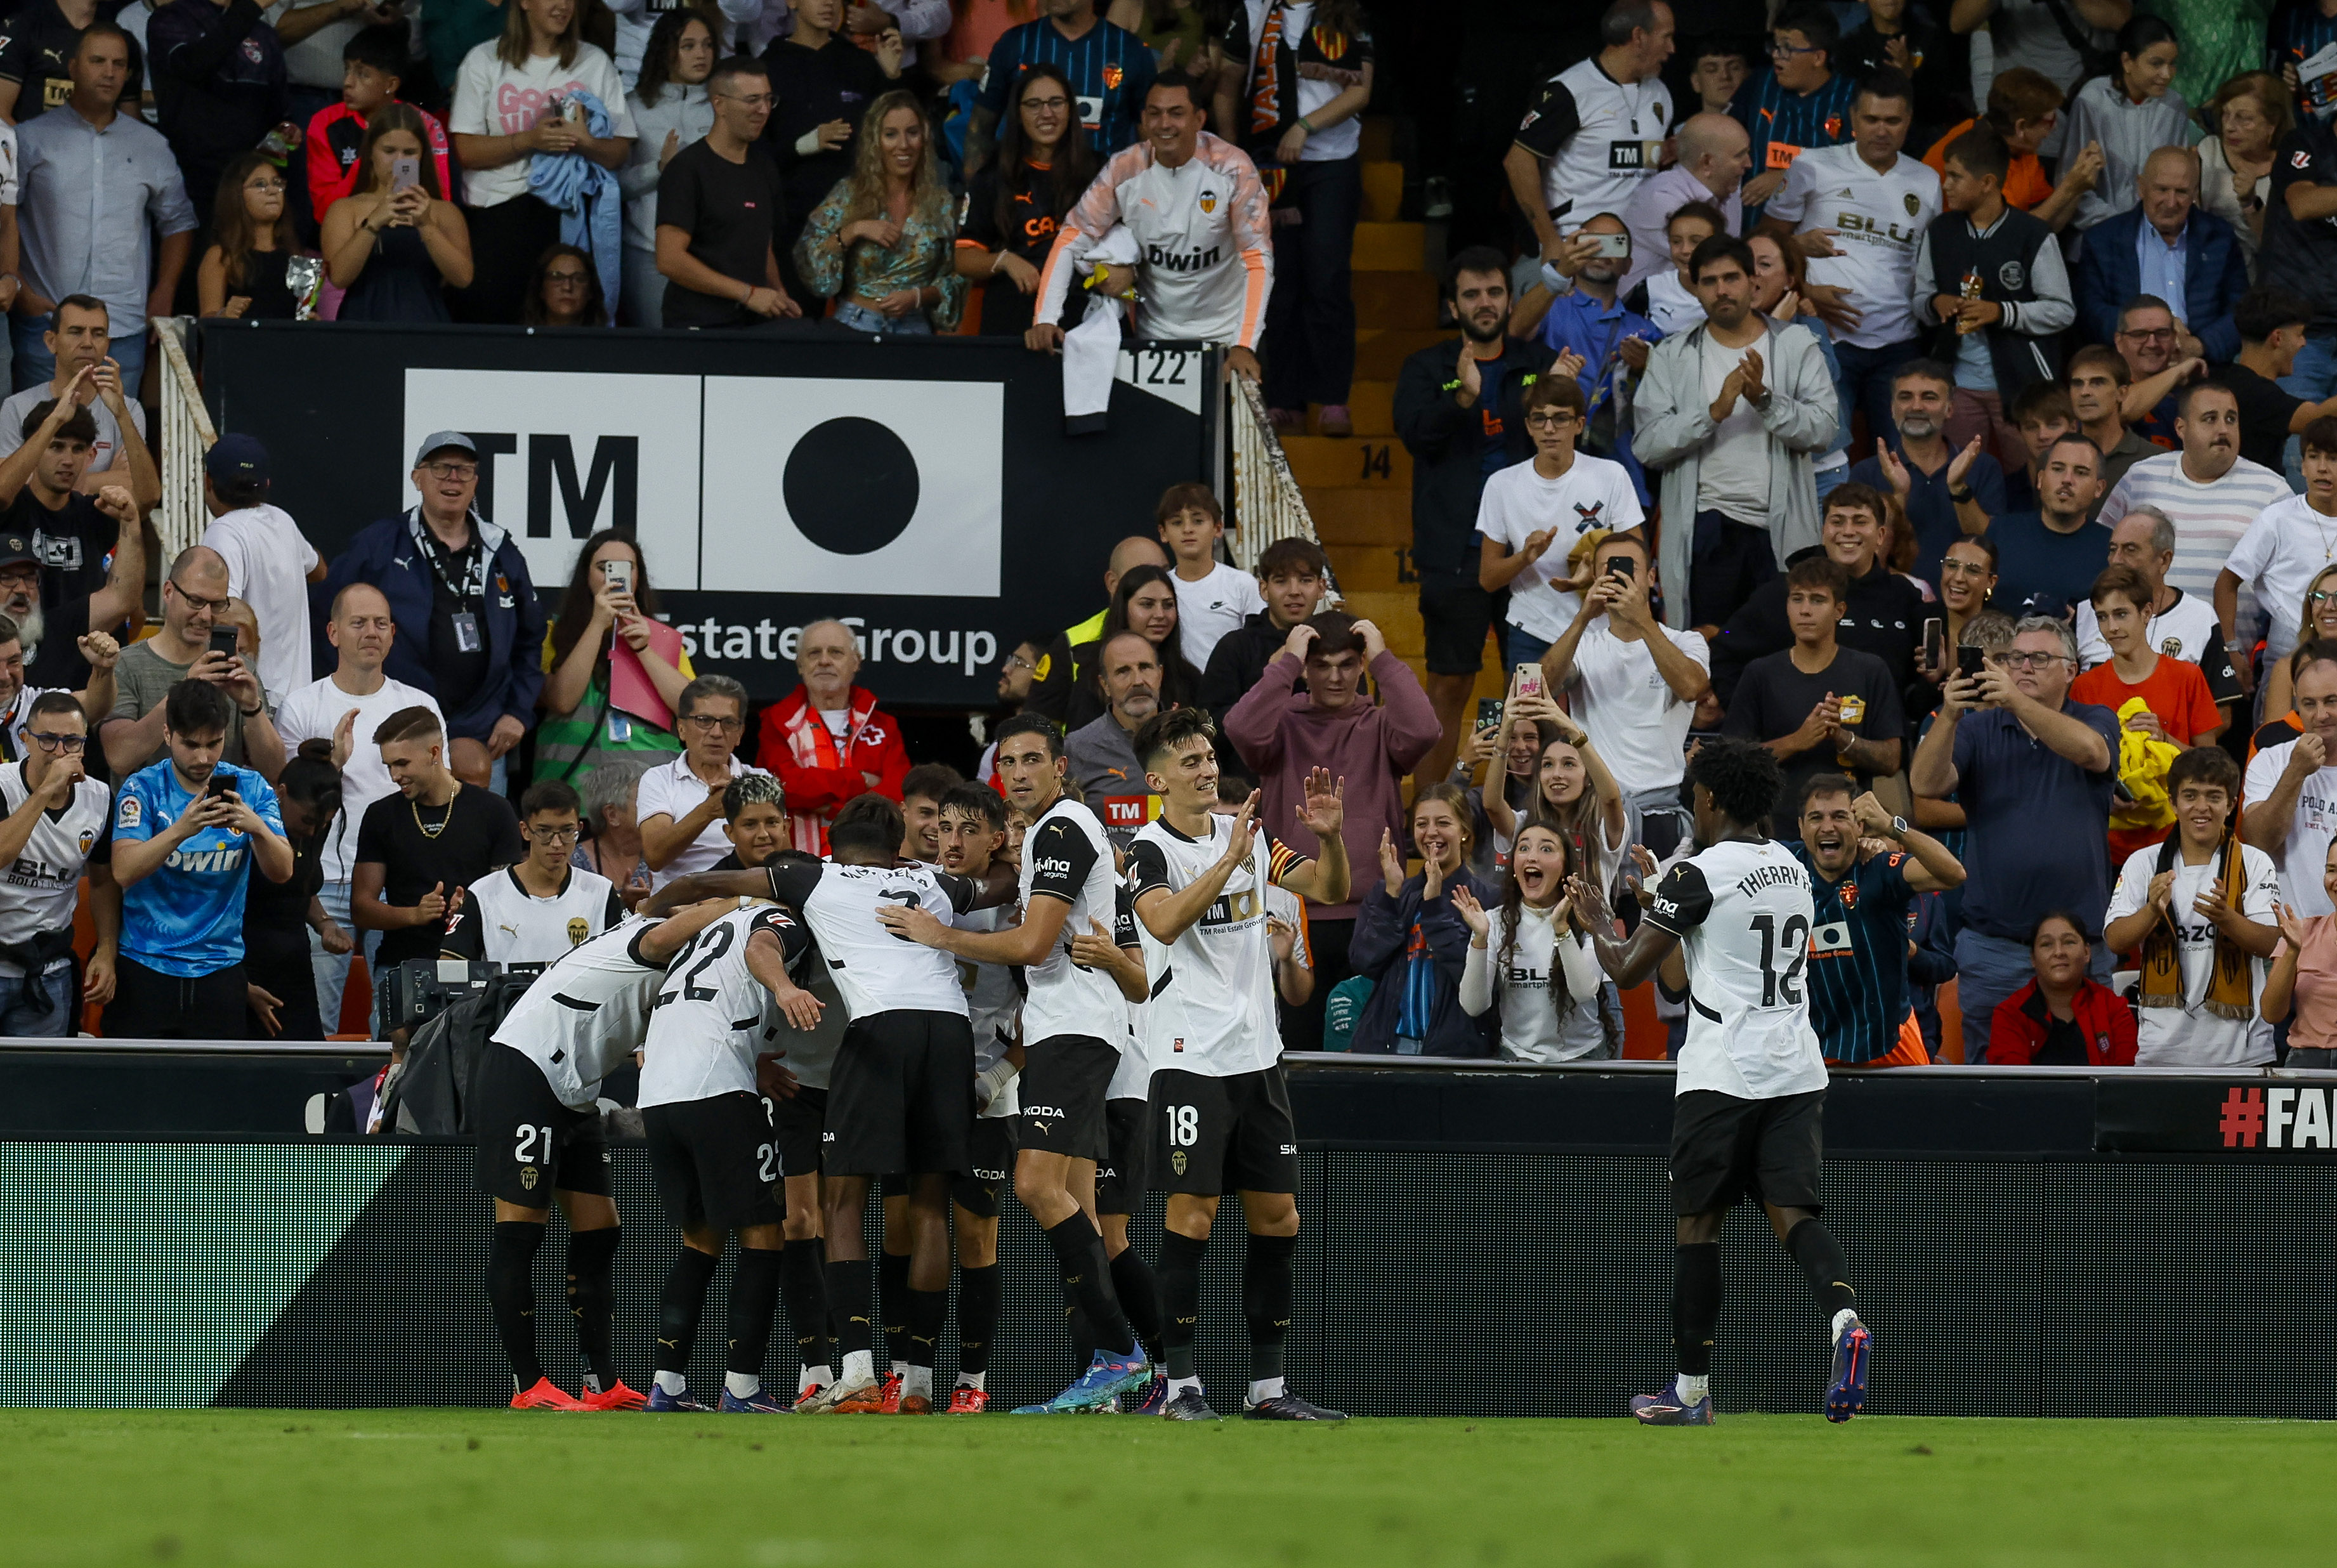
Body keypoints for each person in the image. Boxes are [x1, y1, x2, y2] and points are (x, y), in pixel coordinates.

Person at [1570, 738, 1871, 1426]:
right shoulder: (1793, 869)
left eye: (1693, 797)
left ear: (1711, 800)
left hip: (1722, 1073)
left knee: (1699, 1228)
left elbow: (1627, 971)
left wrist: (1596, 921)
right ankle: (1845, 1319)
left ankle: (1691, 1393)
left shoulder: (1698, 874)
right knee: (1795, 1218)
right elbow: (1710, 942)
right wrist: (1660, 903)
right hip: (1796, 1069)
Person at [875, 712, 1165, 1414]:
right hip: (1076, 1027)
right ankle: (1158, 1373)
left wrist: (937, 932)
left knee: (1035, 1186)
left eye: (1035, 759)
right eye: (1009, 763)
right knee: (1085, 1212)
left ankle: (1121, 1353)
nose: (1022, 773)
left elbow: (1035, 945)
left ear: (1062, 767)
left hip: (1074, 1031)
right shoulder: (1049, 834)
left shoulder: (1062, 829)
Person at [1123, 703, 1349, 1420]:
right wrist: (1225, 862)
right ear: (1157, 779)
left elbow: (1330, 887)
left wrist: (1333, 839)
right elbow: (1159, 920)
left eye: (1208, 756)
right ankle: (1181, 1386)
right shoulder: (1149, 850)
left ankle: (1269, 1390)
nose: (1205, 769)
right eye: (1188, 761)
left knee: (1279, 1218)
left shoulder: (1249, 835)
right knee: (1192, 1215)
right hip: (1190, 1057)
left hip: (1259, 1058)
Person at [471, 893, 733, 1410]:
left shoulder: (671, 957)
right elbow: (660, 935)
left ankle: (603, 1384)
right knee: (520, 1233)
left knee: (600, 1229)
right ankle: (529, 1386)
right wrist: (740, 901)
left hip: (574, 1091)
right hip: (526, 1072)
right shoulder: (649, 936)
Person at [631, 896, 821, 1414]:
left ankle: (667, 1385)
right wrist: (785, 987)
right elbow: (764, 946)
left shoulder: (700, 930)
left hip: (658, 1093)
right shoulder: (778, 917)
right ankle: (742, 1387)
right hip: (717, 1090)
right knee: (764, 1234)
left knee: (699, 1242)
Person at [1224, 611, 1438, 1049]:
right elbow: (1238, 728)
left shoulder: (1380, 724)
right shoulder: (1281, 724)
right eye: (1321, 665)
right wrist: (1286, 661)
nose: (1336, 677)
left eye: (1348, 664)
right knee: (1299, 1048)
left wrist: (1382, 659)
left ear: (1361, 666)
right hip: (1295, 913)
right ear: (1305, 668)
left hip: (1375, 912)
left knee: (1373, 1048)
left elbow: (1424, 730)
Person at [1911, 615, 2118, 1034]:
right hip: (1995, 947)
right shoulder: (1975, 728)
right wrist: (1950, 715)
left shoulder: (2096, 718)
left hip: (2080, 948)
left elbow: (2093, 752)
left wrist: (2016, 702)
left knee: (2089, 1083)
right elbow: (1925, 784)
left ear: (2071, 670)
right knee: (1990, 1089)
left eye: (2039, 658)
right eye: (2016, 658)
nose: (2024, 667)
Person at [1633, 235, 1838, 635]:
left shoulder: (1797, 345)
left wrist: (1764, 400)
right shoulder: (1672, 354)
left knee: (1781, 656)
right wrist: (1712, 414)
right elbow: (1647, 445)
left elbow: (1824, 430)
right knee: (1708, 653)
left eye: (1731, 278)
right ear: (1696, 289)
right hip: (1707, 528)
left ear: (1752, 281)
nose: (1721, 290)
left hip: (1780, 532)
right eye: (1709, 281)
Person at [1394, 247, 1546, 783]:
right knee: (1450, 684)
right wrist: (1460, 397)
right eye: (1472, 294)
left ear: (1510, 298)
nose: (1485, 303)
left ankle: (1535, 815)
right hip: (1455, 549)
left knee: (1532, 688)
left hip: (1532, 551)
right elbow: (1414, 435)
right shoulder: (1428, 367)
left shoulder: (1537, 363)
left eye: (1495, 292)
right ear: (1454, 306)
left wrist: (1566, 392)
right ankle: (1434, 810)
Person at [322, 431, 546, 790]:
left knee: (475, 838)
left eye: (464, 470)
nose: (453, 480)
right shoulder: (379, 544)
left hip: (482, 732)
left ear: (476, 481)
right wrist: (350, 699)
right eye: (441, 469)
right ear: (417, 477)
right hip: (396, 727)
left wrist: (517, 712)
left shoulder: (500, 550)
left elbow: (532, 638)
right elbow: (328, 619)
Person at [274, 581, 441, 1030]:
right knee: (315, 1025)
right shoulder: (301, 706)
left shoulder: (419, 706)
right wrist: (333, 763)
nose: (372, 632)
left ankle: (381, 1104)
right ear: (332, 633)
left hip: (399, 884)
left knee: (396, 1029)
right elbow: (288, 806)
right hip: (323, 880)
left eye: (381, 623)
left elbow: (440, 793)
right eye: (359, 622)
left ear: (392, 634)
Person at [1030, 71, 1270, 380]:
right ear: (1143, 120)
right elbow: (1071, 238)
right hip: (1153, 341)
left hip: (1227, 338)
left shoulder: (1234, 169)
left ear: (1200, 119)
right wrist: (1046, 318)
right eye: (1154, 114)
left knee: (1235, 430)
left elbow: (1258, 259)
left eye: (1177, 113)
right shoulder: (1124, 167)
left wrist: (1244, 344)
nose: (1164, 123)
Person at [1213, 0, 1370, 434]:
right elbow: (1227, 84)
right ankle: (1285, 397)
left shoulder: (1348, 9)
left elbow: (1362, 90)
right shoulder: (1252, 9)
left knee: (1327, 276)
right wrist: (1233, 154)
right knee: (1279, 283)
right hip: (1267, 161)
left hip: (1333, 161)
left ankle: (1333, 398)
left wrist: (1304, 127)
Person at [104, 679, 294, 1038]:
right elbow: (123, 871)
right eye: (191, 745)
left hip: (220, 970)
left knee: (216, 1092)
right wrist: (181, 830)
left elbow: (283, 871)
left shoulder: (252, 788)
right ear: (167, 734)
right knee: (138, 1091)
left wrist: (257, 828)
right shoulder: (141, 788)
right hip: (147, 966)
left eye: (214, 744)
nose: (204, 757)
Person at [1762, 69, 1941, 449]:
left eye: (1892, 121)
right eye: (1871, 119)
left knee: (1901, 457)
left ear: (1908, 121)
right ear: (1853, 119)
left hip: (1900, 343)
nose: (1881, 130)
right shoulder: (1813, 164)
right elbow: (1763, 244)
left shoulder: (1927, 180)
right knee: (1825, 452)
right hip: (1826, 338)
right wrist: (1807, 287)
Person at [10, 27, 195, 394]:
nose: (109, 72)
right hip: (46, 325)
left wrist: (166, 289)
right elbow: (5, 219)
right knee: (37, 441)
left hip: (121, 329)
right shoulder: (30, 139)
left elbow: (179, 222)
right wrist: (18, 288)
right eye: (98, 61)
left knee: (111, 445)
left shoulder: (151, 146)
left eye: (119, 64)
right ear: (73, 67)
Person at [448, 0, 636, 325]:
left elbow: (619, 152)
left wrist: (585, 141)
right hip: (499, 214)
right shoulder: (483, 60)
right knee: (497, 330)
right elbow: (466, 150)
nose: (565, 6)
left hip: (570, 217)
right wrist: (529, 141)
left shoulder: (593, 62)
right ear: (524, 3)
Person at [2098, 745, 2280, 1066]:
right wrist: (2152, 910)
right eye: (2190, 795)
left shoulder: (2254, 862)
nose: (2202, 807)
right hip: (2162, 1052)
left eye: (2214, 796)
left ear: (2231, 805)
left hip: (2242, 1054)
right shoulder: (2144, 862)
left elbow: (2271, 944)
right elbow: (2115, 940)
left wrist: (2226, 918)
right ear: (2173, 803)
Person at [1537, 529, 1708, 861]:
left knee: (1653, 913)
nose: (1617, 576)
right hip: (1589, 807)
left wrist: (1643, 622)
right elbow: (1540, 688)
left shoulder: (1687, 641)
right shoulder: (1584, 643)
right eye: (1607, 569)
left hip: (1660, 808)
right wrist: (1583, 616)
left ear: (1651, 577)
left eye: (1628, 568)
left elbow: (1691, 687)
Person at [1912, 124, 2072, 471]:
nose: (1945, 184)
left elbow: (2062, 311)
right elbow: (1920, 299)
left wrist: (2002, 312)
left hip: (2020, 385)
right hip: (1958, 385)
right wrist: (1934, 303)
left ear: (1986, 183)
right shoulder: (1940, 231)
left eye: (1955, 176)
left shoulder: (2032, 234)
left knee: (2036, 475)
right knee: (1961, 477)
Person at [1722, 554, 1906, 837]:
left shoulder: (1870, 671)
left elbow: (1892, 760)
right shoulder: (1760, 674)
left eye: (1818, 600)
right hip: (1775, 835)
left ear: (1840, 610)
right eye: (1797, 599)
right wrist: (1798, 741)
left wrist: (1843, 738)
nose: (1805, 610)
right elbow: (1731, 764)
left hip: (1846, 834)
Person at [350, 704, 523, 1002]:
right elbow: (361, 908)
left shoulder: (495, 811)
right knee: (395, 1049)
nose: (395, 775)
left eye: (402, 763)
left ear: (434, 753)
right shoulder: (381, 816)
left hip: (477, 969)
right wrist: (414, 915)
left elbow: (511, 899)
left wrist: (471, 910)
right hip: (402, 965)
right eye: (389, 765)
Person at [1709, 483, 1927, 718]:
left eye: (1860, 521)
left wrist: (1930, 681)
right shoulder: (1783, 592)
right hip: (1798, 745)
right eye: (1837, 521)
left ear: (1881, 535)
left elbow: (1915, 691)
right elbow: (1724, 652)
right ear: (1824, 531)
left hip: (1878, 745)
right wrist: (1754, 720)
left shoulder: (1904, 596)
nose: (1848, 531)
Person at [1788, 778, 1965, 1066]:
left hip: (1889, 1040)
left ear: (1860, 826)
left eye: (1840, 816)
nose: (1828, 826)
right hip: (1816, 1045)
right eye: (1816, 817)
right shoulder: (1784, 867)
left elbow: (1954, 874)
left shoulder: (1879, 867)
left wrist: (1892, 826)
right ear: (1800, 827)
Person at [1475, 377, 1645, 670]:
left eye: (1560, 418)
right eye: (1539, 419)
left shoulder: (1611, 475)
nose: (1549, 428)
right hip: (1531, 629)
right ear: (1528, 426)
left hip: (1602, 626)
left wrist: (1593, 574)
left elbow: (1639, 561)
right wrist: (1524, 558)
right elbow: (1488, 578)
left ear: (1579, 424)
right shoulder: (1501, 485)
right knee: (1528, 714)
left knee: (1596, 717)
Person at [2098, 381, 2292, 633]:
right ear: (2181, 428)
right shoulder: (2142, 477)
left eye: (2231, 419)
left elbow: (2292, 584)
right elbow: (2101, 553)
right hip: (2141, 648)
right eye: (2210, 419)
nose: (2223, 429)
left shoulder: (2273, 491)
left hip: (2228, 656)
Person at [1502, 1, 1673, 277]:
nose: (1672, 49)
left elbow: (1635, 161)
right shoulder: (1571, 90)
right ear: (1639, 37)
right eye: (1667, 37)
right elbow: (1518, 161)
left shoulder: (1661, 93)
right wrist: (1549, 241)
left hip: (1633, 251)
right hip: (1576, 245)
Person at [2071, 563, 2225, 859]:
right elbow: (2074, 770)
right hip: (2105, 846)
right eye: (2102, 617)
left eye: (2121, 614)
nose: (2112, 628)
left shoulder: (2187, 677)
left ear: (2146, 613)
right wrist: (2105, 794)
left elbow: (2213, 765)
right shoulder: (2084, 687)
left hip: (2174, 843)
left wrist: (2165, 739)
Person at [761, 0, 900, 308]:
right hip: (795, 223)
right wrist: (804, 145)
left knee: (865, 332)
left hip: (861, 218)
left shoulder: (862, 64)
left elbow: (893, 138)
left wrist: (890, 78)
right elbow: (755, 155)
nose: (829, 3)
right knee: (800, 334)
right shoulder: (769, 67)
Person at [102, 545, 284, 781]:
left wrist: (252, 707)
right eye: (196, 601)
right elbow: (120, 757)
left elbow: (276, 772)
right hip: (149, 815)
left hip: (221, 813)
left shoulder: (238, 668)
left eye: (217, 604)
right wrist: (185, 690)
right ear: (168, 592)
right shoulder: (126, 665)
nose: (206, 616)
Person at [794, 88, 963, 334]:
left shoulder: (942, 203)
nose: (903, 145)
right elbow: (808, 260)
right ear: (875, 142)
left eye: (912, 133)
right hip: (856, 324)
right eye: (891, 135)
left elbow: (957, 278)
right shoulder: (849, 194)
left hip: (916, 330)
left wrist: (917, 297)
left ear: (924, 138)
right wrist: (853, 231)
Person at [1347, 782, 1495, 1057]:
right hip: (1389, 1046)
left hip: (1454, 1050)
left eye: (1443, 823)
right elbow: (1364, 962)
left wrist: (1435, 906)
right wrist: (1391, 896)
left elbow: (1475, 981)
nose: (1431, 833)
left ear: (1464, 831)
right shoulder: (1393, 892)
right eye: (1421, 824)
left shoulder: (1487, 899)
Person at [654, 53, 801, 329]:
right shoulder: (687, 169)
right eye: (752, 100)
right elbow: (669, 259)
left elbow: (761, 245)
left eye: (769, 99)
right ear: (719, 104)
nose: (764, 109)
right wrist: (748, 294)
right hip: (699, 323)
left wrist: (778, 294)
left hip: (752, 324)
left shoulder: (764, 167)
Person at [537, 530, 693, 787]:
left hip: (648, 796)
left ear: (637, 577)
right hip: (572, 792)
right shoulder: (555, 633)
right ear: (586, 576)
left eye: (626, 568)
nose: (614, 577)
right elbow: (562, 700)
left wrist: (644, 650)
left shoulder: (663, 639)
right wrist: (598, 624)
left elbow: (692, 708)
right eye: (603, 568)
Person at [0, 688, 115, 1035]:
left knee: (38, 1085)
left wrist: (107, 950)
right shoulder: (2, 785)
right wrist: (45, 793)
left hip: (48, 969)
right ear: (26, 739)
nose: (60, 752)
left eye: (72, 742)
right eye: (48, 740)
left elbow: (103, 881)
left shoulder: (99, 798)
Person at [955, 62, 1094, 340]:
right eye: (1034, 104)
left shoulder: (1100, 172)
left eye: (1056, 103)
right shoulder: (993, 176)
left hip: (1084, 317)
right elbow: (962, 258)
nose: (1046, 113)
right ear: (1018, 113)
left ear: (1071, 109)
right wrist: (1005, 261)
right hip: (1014, 315)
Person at [1451, 818, 1610, 1061]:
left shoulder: (1590, 918)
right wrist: (1480, 939)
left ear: (1565, 867)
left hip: (1583, 1057)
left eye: (1546, 849)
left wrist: (1562, 930)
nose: (1532, 857)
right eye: (1524, 848)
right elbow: (1474, 1006)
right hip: (1516, 1056)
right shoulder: (1494, 921)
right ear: (1514, 865)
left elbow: (1584, 992)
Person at [2073, 148, 2249, 365]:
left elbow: (2241, 311)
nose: (2171, 202)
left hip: (2203, 368)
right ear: (2142, 187)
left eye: (2182, 192)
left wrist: (2199, 346)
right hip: (2130, 371)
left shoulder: (2219, 237)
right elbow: (2091, 312)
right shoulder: (2103, 240)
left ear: (2195, 193)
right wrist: (2149, 332)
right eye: (2162, 189)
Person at [754, 618, 910, 852]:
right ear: (800, 664)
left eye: (836, 653)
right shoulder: (776, 722)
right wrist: (860, 781)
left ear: (856, 662)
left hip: (868, 864)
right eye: (814, 653)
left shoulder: (885, 726)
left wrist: (826, 805)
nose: (824, 661)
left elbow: (895, 798)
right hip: (795, 868)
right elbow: (784, 788)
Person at [2071, 507, 2243, 719]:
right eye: (2113, 549)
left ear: (2164, 560)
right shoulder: (2086, 612)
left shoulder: (2199, 617)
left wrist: (2162, 743)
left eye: (2130, 550)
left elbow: (2221, 715)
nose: (2116, 560)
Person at [0, 389, 152, 627]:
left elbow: (148, 497)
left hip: (81, 653)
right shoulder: (12, 507)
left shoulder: (94, 512)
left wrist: (122, 414)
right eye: (56, 447)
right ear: (36, 449)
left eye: (78, 449)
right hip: (18, 649)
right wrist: (55, 420)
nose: (68, 460)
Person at [197, 434, 322, 710]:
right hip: (296, 703)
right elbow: (319, 570)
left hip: (252, 697)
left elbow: (225, 616)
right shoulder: (282, 520)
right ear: (266, 484)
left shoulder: (224, 531)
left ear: (208, 481)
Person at [439, 780, 622, 964]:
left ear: (579, 829)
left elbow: (629, 963)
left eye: (567, 831)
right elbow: (449, 965)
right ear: (525, 831)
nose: (557, 843)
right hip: (509, 993)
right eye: (544, 831)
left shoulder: (602, 893)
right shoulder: (484, 894)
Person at [322, 103, 475, 322]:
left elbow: (463, 278)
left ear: (423, 155)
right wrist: (373, 223)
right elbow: (339, 277)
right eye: (389, 151)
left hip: (426, 323)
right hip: (362, 323)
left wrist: (426, 226)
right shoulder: (345, 209)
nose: (399, 160)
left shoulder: (444, 211)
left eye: (410, 152)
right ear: (371, 152)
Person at [2045, 15, 2196, 235]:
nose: (2167, 74)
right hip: (2099, 236)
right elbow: (2072, 183)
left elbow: (2178, 180)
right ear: (2127, 61)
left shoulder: (2175, 105)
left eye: (2172, 64)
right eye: (2157, 64)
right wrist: (2123, 227)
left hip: (2157, 236)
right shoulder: (2093, 100)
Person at [1852, 360, 2001, 580]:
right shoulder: (1866, 472)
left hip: (1963, 601)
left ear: (1950, 409)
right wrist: (1899, 495)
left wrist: (1958, 488)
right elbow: (1865, 555)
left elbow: (1989, 545)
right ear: (1893, 409)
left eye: (1929, 397)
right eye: (1905, 397)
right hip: (1892, 601)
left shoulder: (1983, 467)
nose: (1916, 407)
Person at [147, 0, 287, 230]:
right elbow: (194, 66)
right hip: (189, 179)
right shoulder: (172, 18)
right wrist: (249, 8)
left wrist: (284, 142)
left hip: (248, 182)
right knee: (200, 260)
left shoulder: (264, 34)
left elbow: (279, 115)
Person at [0, 297, 156, 502]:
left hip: (99, 523)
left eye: (98, 334)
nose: (88, 343)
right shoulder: (16, 406)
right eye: (76, 332)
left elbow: (139, 488)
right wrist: (103, 480)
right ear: (51, 341)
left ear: (107, 345)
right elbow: (5, 486)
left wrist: (43, 477)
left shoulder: (128, 409)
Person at [968, 0, 1154, 172]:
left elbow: (1150, 141)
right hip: (1025, 196)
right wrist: (976, 196)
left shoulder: (1130, 51)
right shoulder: (1015, 44)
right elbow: (979, 132)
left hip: (1105, 195)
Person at [2218, 417, 2337, 684]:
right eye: (2313, 457)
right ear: (2302, 465)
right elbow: (2227, 582)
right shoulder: (2278, 518)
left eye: (2333, 458)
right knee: (2278, 728)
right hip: (2287, 657)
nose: (2322, 469)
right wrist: (2231, 649)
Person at [1918, 64, 2100, 232]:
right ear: (2021, 127)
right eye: (2050, 121)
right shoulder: (1973, 155)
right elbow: (2005, 233)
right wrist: (2068, 187)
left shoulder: (2023, 150)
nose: (2053, 129)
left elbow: (2048, 226)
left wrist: (2079, 186)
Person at [619, 8, 714, 326]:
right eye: (688, 46)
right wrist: (660, 168)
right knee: (657, 357)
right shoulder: (634, 106)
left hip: (711, 255)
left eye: (707, 45)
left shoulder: (724, 107)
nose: (701, 54)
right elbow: (615, 187)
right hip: (648, 255)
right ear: (666, 51)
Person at [239, 740, 340, 1040]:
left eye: (323, 824)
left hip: (295, 970)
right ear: (280, 793)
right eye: (308, 821)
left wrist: (324, 923)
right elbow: (217, 909)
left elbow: (299, 888)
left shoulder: (312, 829)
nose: (313, 831)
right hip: (245, 967)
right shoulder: (248, 829)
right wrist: (239, 986)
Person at [303, 23, 454, 222]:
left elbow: (441, 205)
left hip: (413, 228)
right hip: (347, 229)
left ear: (391, 84)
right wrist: (367, 161)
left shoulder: (427, 126)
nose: (348, 82)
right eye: (347, 70)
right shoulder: (325, 122)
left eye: (362, 74)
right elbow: (324, 211)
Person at [636, 674, 768, 887]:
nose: (717, 733)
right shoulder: (658, 779)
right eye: (704, 721)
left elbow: (778, 858)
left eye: (728, 723)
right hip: (677, 905)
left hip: (745, 901)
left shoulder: (760, 779)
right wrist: (710, 810)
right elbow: (655, 856)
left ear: (740, 733)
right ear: (681, 728)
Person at [1730, 6, 1857, 225]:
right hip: (1753, 231)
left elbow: (1858, 170)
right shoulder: (1759, 85)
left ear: (1818, 57)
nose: (1776, 56)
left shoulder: (1851, 98)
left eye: (1787, 48)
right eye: (1775, 46)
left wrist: (1788, 179)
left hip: (1820, 235)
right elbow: (1726, 141)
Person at [1023, 535, 1170, 722]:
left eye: (1165, 574)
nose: (1155, 583)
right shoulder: (1073, 645)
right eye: (1140, 577)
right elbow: (1038, 725)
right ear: (1113, 583)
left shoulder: (1183, 634)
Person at [1969, 432, 2110, 620]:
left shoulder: (2112, 549)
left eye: (2081, 472)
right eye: (2058, 469)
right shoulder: (2000, 532)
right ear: (2041, 479)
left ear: (2099, 488)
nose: (2067, 479)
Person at [1200, 537, 1330, 736]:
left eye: (1305, 580)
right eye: (1281, 581)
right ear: (1264, 589)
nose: (1294, 591)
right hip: (1251, 767)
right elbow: (1210, 728)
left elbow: (1355, 724)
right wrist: (1270, 679)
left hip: (1321, 766)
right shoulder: (1235, 647)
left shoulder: (1336, 646)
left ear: (1321, 588)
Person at [2243, 641, 2337, 913]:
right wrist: (2295, 772)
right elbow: (2259, 842)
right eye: (2309, 704)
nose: (2321, 715)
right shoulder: (2271, 761)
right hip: (2293, 938)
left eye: (2332, 701)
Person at [1620, 111, 1750, 296]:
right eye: (1739, 156)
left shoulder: (1730, 189)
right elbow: (1714, 262)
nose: (1749, 164)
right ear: (1707, 162)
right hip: (1646, 312)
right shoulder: (1661, 197)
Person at [1059, 563, 1201, 733]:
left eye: (1168, 605)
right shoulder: (1092, 673)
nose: (1160, 615)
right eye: (1147, 605)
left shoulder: (1189, 677)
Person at [1983, 910, 2140, 1064]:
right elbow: (2011, 1083)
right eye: (2047, 945)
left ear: (2087, 952)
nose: (2059, 952)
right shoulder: (2010, 1014)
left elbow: (2125, 1076)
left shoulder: (2114, 1008)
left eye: (2069, 942)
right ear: (2033, 958)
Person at [2218, 285, 2337, 474]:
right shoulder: (2257, 394)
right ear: (2278, 338)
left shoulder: (2228, 380)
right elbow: (2317, 418)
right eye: (2299, 334)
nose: (2303, 343)